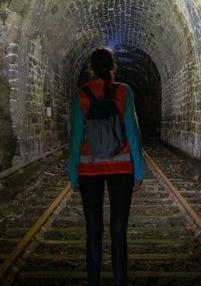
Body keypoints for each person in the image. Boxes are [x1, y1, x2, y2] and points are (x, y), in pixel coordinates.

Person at [68, 47, 144, 286]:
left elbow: (76, 137)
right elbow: (133, 131)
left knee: (93, 230)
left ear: (91, 68)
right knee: (118, 229)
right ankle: (119, 280)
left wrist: (73, 175)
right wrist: (138, 170)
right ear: (113, 67)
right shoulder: (124, 91)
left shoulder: (81, 94)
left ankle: (94, 281)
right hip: (121, 168)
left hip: (89, 169)